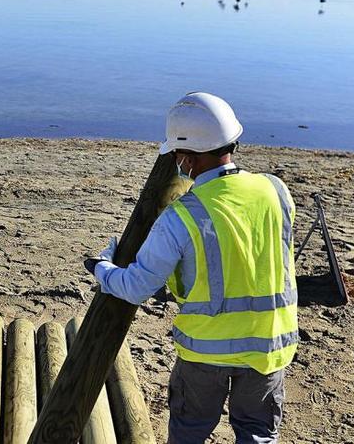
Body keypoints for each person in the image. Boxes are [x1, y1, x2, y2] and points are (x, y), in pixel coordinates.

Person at [91, 92, 299, 444]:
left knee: (189, 433)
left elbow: (137, 287)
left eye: (177, 155)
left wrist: (101, 268)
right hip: (269, 345)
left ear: (185, 157)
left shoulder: (182, 215)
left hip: (206, 350)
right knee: (259, 434)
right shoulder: (275, 190)